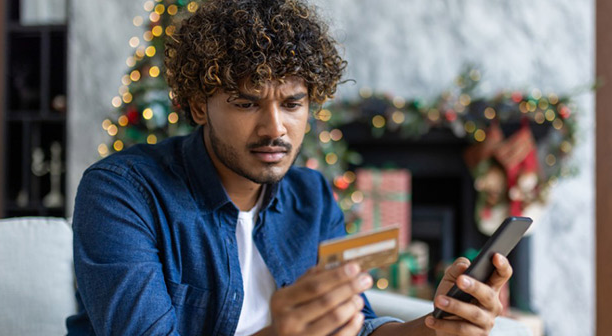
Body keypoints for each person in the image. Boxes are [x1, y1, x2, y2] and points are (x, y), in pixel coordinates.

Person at [66, 0, 512, 335]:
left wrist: (438, 327)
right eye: (247, 103)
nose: (274, 128)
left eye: (293, 103)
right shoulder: (122, 193)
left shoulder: (311, 197)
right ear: (199, 107)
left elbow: (357, 330)